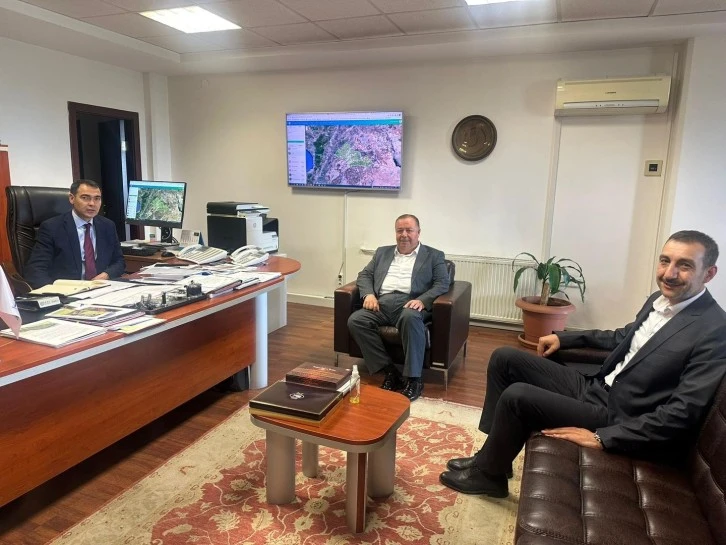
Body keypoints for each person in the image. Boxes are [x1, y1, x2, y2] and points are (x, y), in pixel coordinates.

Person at [440, 230, 726, 498]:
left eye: (684, 266)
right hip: (597, 386)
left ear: (709, 273)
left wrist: (605, 437)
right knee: (505, 358)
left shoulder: (714, 330)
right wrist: (565, 338)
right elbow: (623, 337)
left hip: (620, 414)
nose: (669, 273)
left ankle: (488, 478)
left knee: (518, 396)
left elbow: (682, 413)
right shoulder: (659, 299)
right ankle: (494, 458)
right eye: (665, 261)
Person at [347, 214, 450, 401]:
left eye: (409, 230)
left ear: (418, 232)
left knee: (409, 318)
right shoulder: (382, 252)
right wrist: (368, 294)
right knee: (356, 320)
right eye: (400, 230)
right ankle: (390, 371)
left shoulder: (434, 255)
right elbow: (364, 275)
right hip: (382, 303)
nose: (404, 235)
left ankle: (414, 380)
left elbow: (442, 283)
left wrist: (423, 300)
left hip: (411, 303)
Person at [24, 180, 126, 288]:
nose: (92, 203)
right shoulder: (52, 227)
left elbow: (119, 261)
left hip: (100, 288)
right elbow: (35, 269)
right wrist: (55, 293)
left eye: (97, 198)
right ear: (72, 198)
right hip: (67, 290)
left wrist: (106, 275)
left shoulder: (107, 225)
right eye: (85, 198)